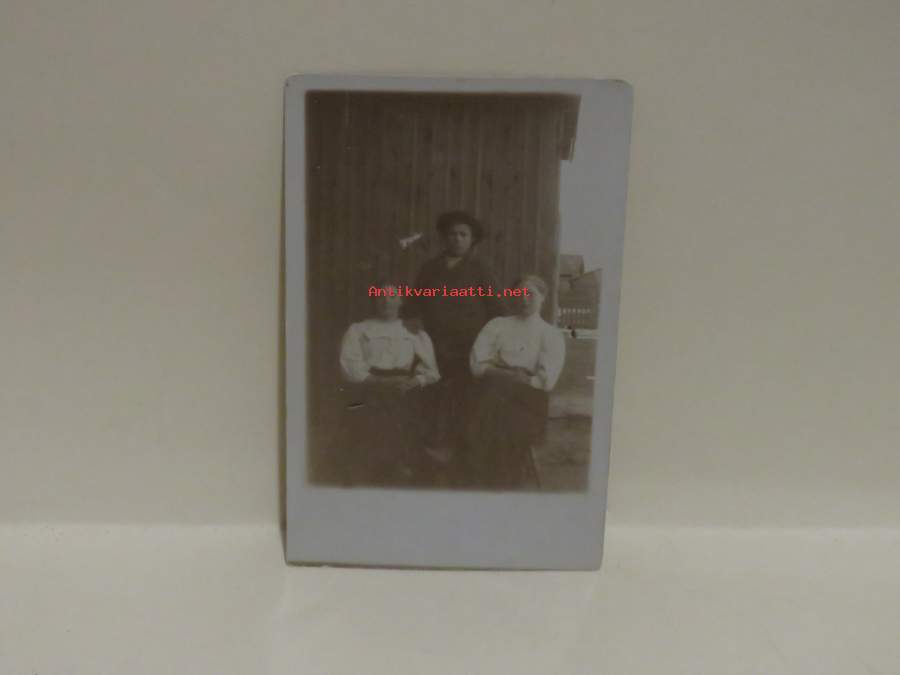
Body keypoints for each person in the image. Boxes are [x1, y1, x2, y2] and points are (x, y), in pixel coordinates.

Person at [403, 211, 506, 469]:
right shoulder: (430, 268)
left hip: (468, 347)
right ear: (444, 238)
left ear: (472, 240)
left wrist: (492, 345)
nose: (457, 239)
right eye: (452, 234)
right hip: (434, 345)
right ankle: (431, 452)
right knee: (431, 395)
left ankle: (463, 455)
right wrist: (413, 319)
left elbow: (496, 309)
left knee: (465, 398)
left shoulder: (480, 269)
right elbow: (413, 303)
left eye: (463, 234)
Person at [466, 275, 566, 488]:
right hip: (493, 390)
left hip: (527, 400)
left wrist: (509, 375)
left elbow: (545, 382)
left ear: (543, 297)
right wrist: (508, 375)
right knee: (489, 406)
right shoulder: (498, 325)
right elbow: (477, 365)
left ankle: (496, 478)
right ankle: (493, 476)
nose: (523, 299)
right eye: (518, 293)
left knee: (499, 418)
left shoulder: (549, 334)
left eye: (530, 294)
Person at [338, 282, 440, 485]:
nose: (386, 301)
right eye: (381, 296)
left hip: (404, 389)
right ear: (374, 300)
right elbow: (350, 367)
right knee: (370, 433)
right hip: (370, 389)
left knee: (405, 424)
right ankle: (378, 472)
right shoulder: (359, 329)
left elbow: (431, 371)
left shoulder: (413, 331)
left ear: (401, 300)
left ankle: (401, 468)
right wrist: (380, 382)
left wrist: (414, 382)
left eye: (392, 296)